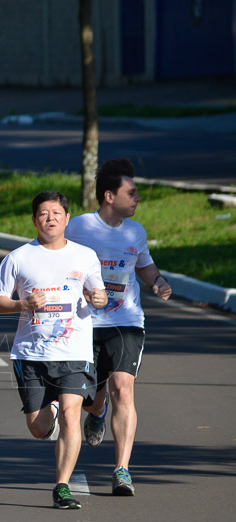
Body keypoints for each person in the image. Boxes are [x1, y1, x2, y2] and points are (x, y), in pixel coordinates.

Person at [0, 190, 107, 510]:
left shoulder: (84, 255)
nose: (50, 218)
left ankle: (62, 486)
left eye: (56, 213)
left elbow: (99, 291)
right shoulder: (18, 257)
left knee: (72, 413)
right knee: (39, 428)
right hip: (31, 354)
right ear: (34, 219)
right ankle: (48, 412)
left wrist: (99, 298)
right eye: (43, 213)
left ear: (67, 218)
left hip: (73, 351)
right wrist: (22, 303)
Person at [65, 159, 172, 496]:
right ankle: (97, 413)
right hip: (85, 323)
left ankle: (122, 470)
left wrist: (158, 281)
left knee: (123, 388)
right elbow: (56, 258)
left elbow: (145, 266)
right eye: (132, 192)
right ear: (109, 196)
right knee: (91, 399)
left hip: (126, 321)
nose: (137, 198)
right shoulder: (78, 227)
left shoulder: (135, 232)